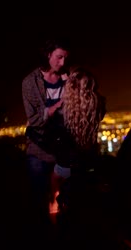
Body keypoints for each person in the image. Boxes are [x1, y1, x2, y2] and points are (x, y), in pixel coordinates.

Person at [22, 36, 73, 230]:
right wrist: (58, 105)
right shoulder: (30, 82)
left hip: (63, 150)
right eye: (59, 57)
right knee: (40, 199)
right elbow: (34, 119)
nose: (63, 63)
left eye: (65, 58)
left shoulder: (67, 77)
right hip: (39, 149)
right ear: (48, 55)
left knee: (66, 200)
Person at [49, 66, 106, 216]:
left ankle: (53, 211)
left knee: (54, 182)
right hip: (90, 160)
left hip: (66, 165)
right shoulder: (98, 106)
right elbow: (95, 97)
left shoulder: (61, 114)